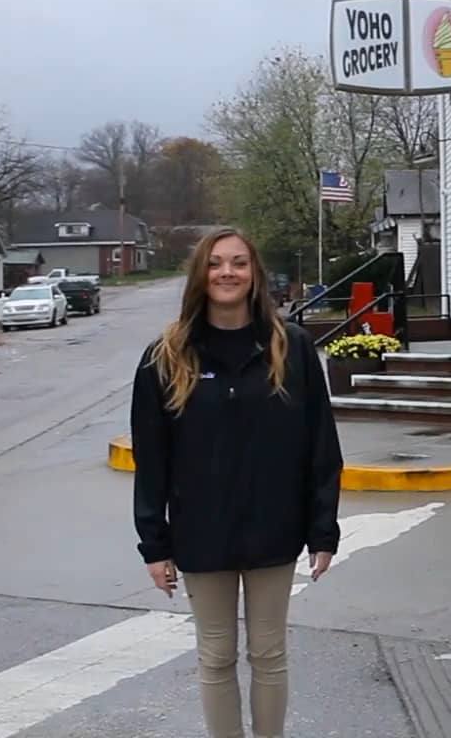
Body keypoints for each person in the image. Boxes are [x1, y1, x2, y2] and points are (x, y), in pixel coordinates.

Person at [131, 227, 344, 738]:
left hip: (274, 526)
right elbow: (152, 460)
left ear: (255, 276)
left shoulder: (291, 347)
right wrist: (154, 545)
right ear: (201, 275)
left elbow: (321, 444)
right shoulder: (165, 356)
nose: (227, 272)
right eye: (216, 263)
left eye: (239, 263)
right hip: (201, 532)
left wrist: (323, 530)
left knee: (269, 654)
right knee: (216, 655)